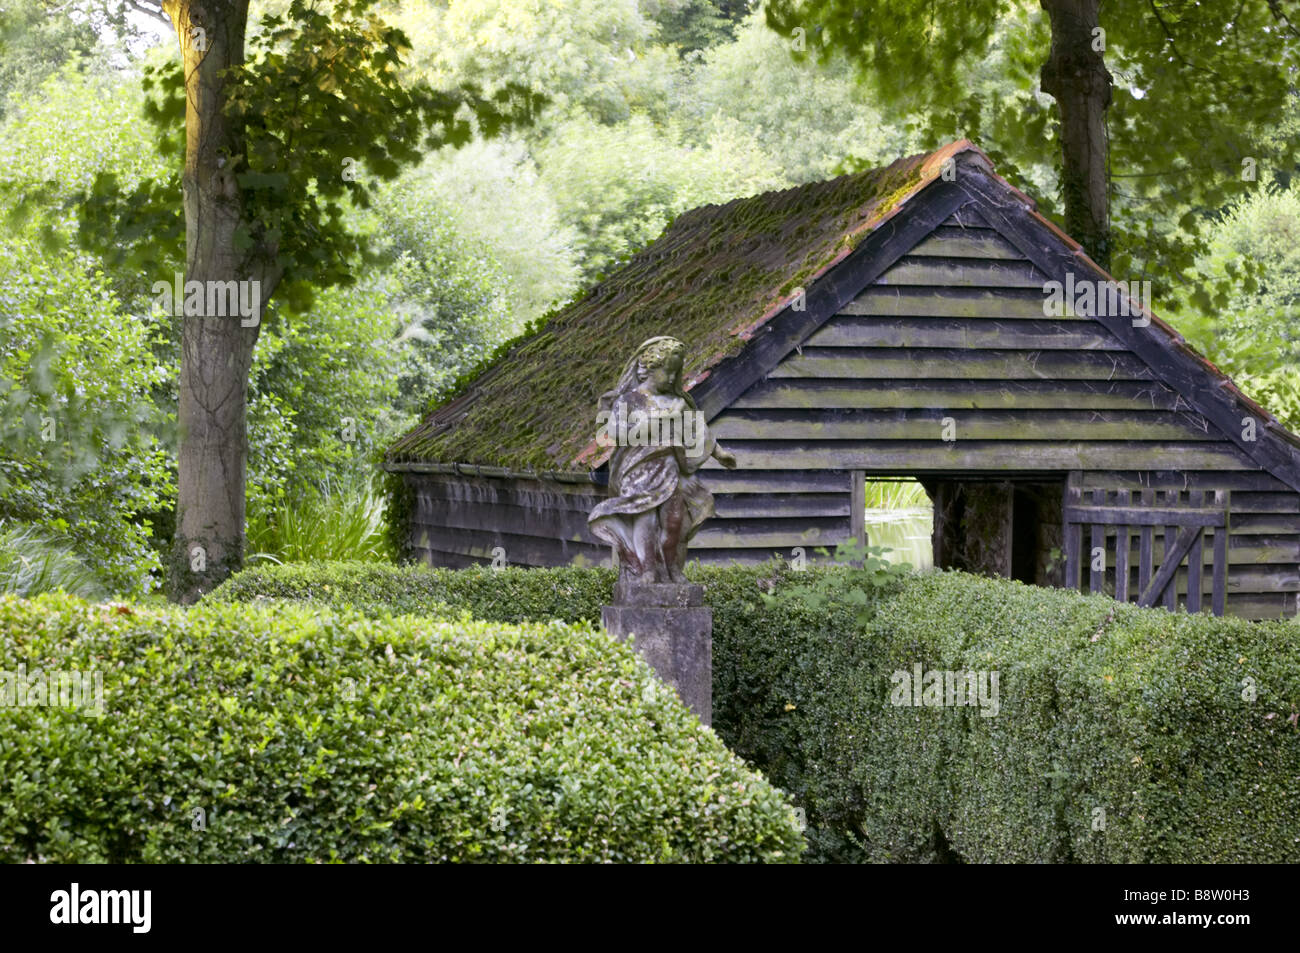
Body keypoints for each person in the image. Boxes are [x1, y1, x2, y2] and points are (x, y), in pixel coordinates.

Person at [588, 336, 737, 584]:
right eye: (667, 372)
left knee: (675, 522)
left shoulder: (677, 402)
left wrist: (719, 453)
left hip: (669, 469)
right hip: (637, 470)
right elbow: (611, 433)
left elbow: (697, 430)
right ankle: (647, 570)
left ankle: (673, 569)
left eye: (676, 373)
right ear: (649, 368)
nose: (671, 379)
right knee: (644, 519)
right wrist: (655, 422)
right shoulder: (630, 400)